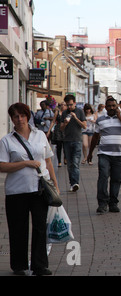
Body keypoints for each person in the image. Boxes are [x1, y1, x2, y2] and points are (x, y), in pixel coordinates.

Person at [0, 103, 58, 276]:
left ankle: (39, 265)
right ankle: (19, 265)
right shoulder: (6, 140)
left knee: (40, 227)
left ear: (28, 116)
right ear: (12, 120)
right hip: (16, 191)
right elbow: (2, 166)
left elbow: (48, 161)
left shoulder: (40, 135)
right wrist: (25, 163)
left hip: (39, 189)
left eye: (23, 115)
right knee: (18, 228)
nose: (20, 119)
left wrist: (55, 184)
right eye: (16, 117)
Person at [87, 97, 121, 214]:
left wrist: (119, 116)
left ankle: (113, 203)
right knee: (103, 177)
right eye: (109, 106)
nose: (111, 108)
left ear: (117, 106)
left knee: (116, 179)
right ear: (106, 107)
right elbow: (95, 137)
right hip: (104, 154)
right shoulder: (100, 120)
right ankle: (102, 204)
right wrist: (90, 153)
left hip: (119, 155)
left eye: (114, 106)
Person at [60, 94, 87, 192]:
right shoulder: (64, 113)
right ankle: (72, 183)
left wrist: (75, 118)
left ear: (74, 103)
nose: (69, 107)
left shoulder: (80, 112)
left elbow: (84, 126)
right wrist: (65, 124)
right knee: (69, 164)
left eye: (71, 104)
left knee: (75, 163)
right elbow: (61, 128)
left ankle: (75, 183)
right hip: (67, 141)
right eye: (68, 105)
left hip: (77, 140)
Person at [48, 102, 67, 167]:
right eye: (61, 105)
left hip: (66, 129)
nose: (63, 106)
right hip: (58, 129)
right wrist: (49, 130)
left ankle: (65, 158)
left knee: (65, 146)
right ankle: (59, 161)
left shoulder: (68, 113)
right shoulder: (57, 112)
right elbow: (53, 121)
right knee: (59, 146)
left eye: (64, 105)